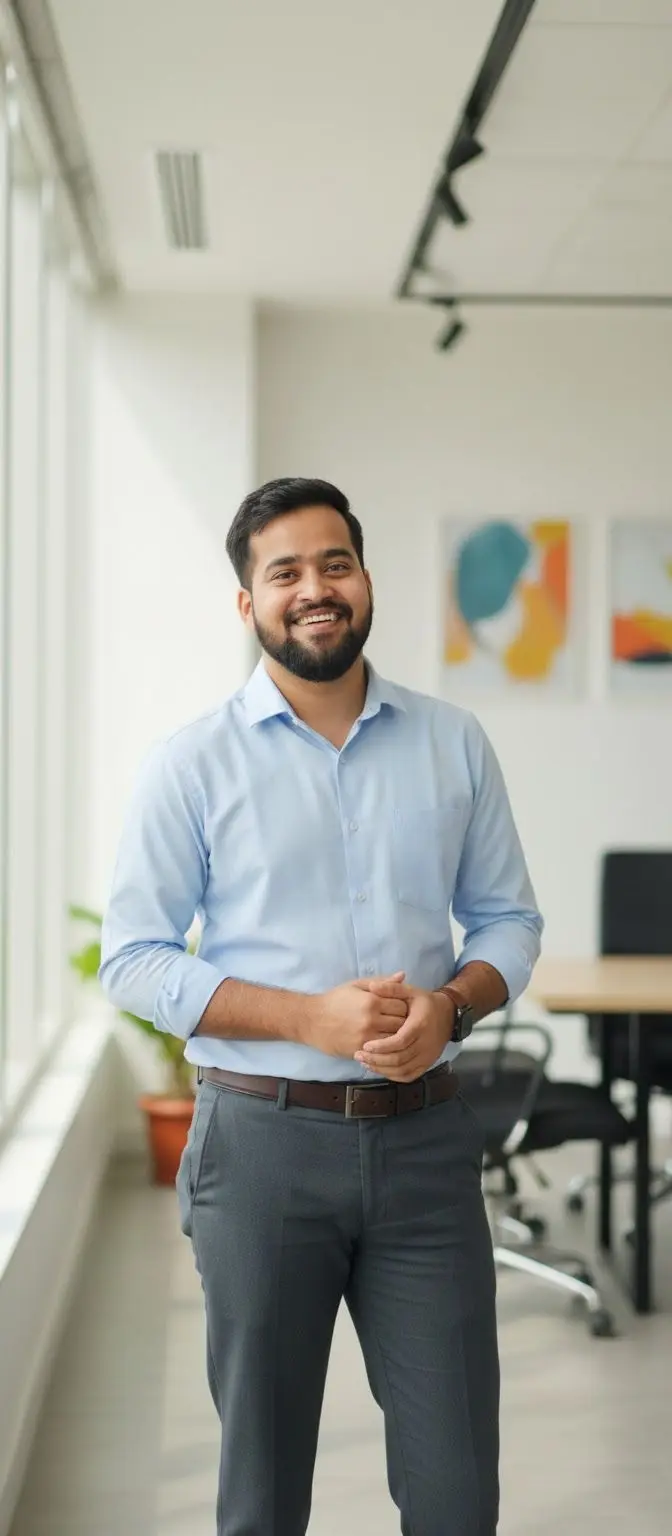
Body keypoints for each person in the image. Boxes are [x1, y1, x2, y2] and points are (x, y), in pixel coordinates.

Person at [100, 477, 543, 1536]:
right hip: (259, 1149)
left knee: (456, 1493)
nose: (314, 588)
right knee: (262, 1493)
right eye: (284, 571)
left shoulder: (453, 743)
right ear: (247, 604)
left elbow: (508, 925)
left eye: (333, 563)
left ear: (366, 580)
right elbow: (133, 960)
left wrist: (450, 1007)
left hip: (425, 1147)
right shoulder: (190, 764)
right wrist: (308, 1019)